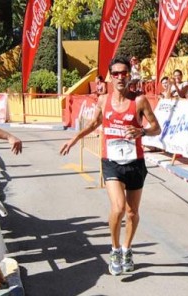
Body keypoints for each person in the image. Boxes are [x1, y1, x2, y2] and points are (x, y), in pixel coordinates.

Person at [59, 56, 161, 276]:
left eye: (124, 73)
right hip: (112, 162)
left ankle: (127, 249)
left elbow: (156, 128)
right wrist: (74, 138)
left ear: (129, 75)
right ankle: (114, 249)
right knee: (119, 207)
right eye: (115, 74)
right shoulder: (103, 100)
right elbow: (94, 123)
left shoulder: (139, 100)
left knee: (133, 213)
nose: (120, 77)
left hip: (135, 162)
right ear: (110, 77)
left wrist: (141, 131)